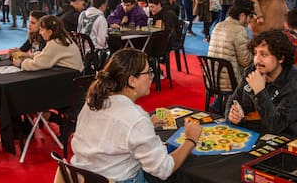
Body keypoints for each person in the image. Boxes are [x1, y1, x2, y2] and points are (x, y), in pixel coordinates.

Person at [71, 48, 202, 182]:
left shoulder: (93, 101)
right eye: (148, 72)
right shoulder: (135, 117)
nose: (152, 77)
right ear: (132, 80)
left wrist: (148, 123)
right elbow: (164, 169)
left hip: (81, 177)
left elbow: (108, 133)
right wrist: (190, 139)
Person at [225, 30, 297, 138]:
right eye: (255, 53)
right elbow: (234, 99)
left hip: (296, 139)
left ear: (280, 58)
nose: (257, 59)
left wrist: (260, 92)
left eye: (264, 54)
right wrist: (232, 114)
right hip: (262, 132)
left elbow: (277, 126)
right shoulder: (252, 71)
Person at [208, 0, 255, 110]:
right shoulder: (240, 30)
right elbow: (246, 61)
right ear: (242, 15)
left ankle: (217, 104)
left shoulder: (218, 25)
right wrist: (255, 52)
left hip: (212, 78)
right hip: (229, 82)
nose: (251, 21)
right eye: (250, 17)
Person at [12, 15, 83, 72]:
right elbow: (46, 54)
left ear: (50, 32)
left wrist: (21, 64)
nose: (40, 33)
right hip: (74, 74)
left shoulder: (54, 44)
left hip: (70, 77)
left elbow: (38, 64)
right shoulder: (63, 39)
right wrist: (29, 55)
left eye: (42, 30)